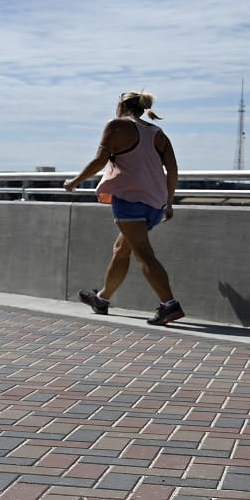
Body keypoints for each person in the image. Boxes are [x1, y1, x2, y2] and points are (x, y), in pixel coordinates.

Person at [63, 90, 183, 325]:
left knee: (143, 253)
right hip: (155, 203)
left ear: (121, 105)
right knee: (122, 249)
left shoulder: (116, 125)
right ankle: (102, 299)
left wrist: (74, 182)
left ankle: (170, 305)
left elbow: (99, 160)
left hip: (130, 200)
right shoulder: (157, 133)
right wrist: (168, 202)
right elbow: (173, 170)